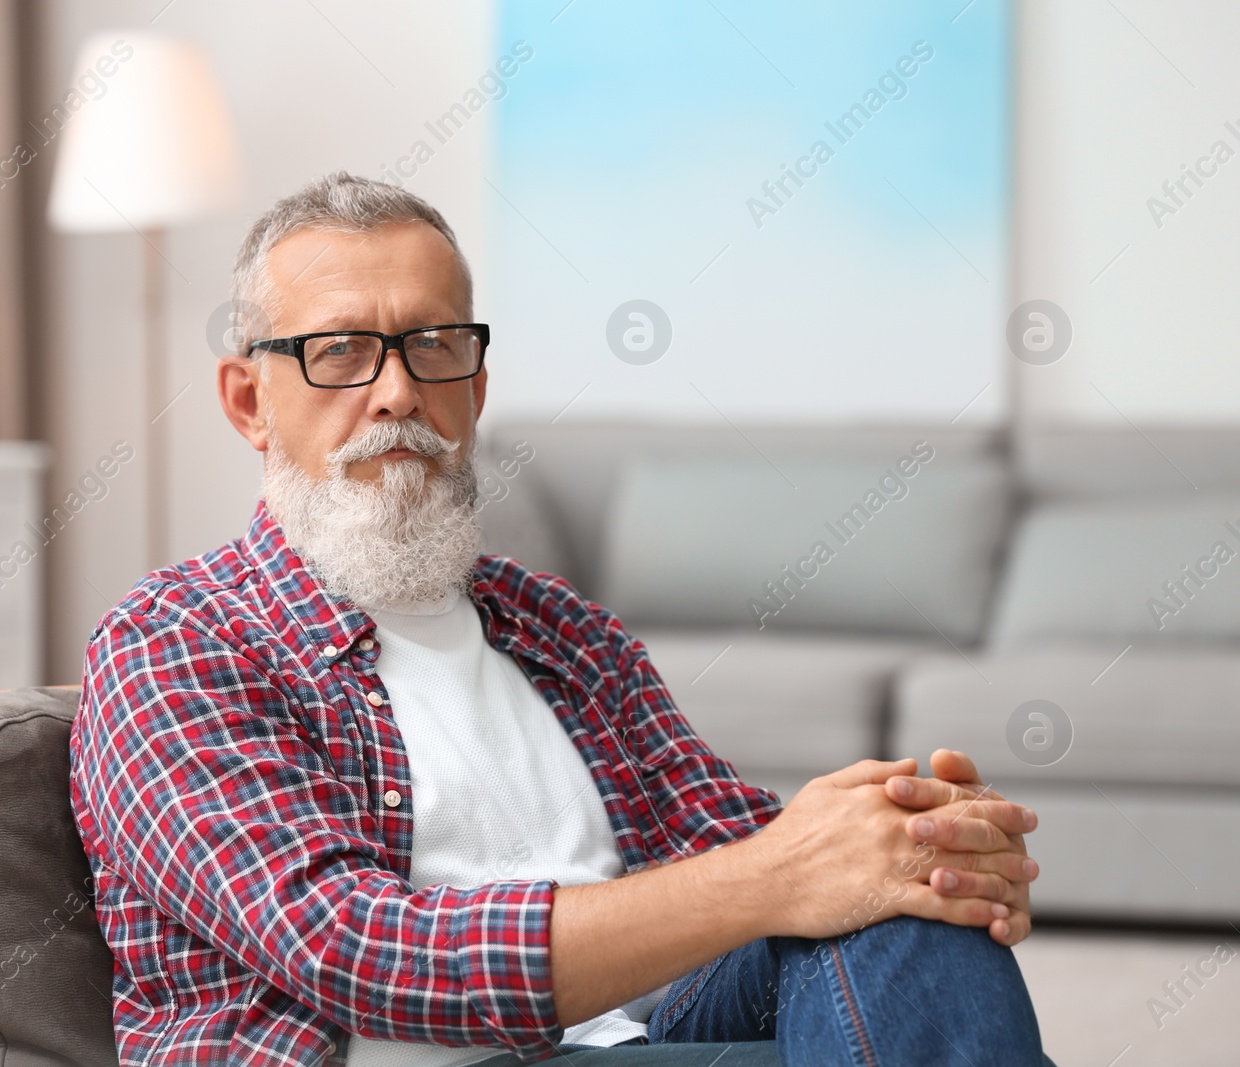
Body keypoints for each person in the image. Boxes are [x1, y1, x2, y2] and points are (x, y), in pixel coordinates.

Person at [70, 171, 1054, 1067]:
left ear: (477, 384)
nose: (397, 392)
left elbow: (740, 846)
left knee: (897, 897)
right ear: (249, 400)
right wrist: (785, 869)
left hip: (645, 1032)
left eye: (434, 344)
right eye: (339, 352)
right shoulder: (176, 639)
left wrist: (923, 850)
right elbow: (350, 949)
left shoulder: (561, 629)